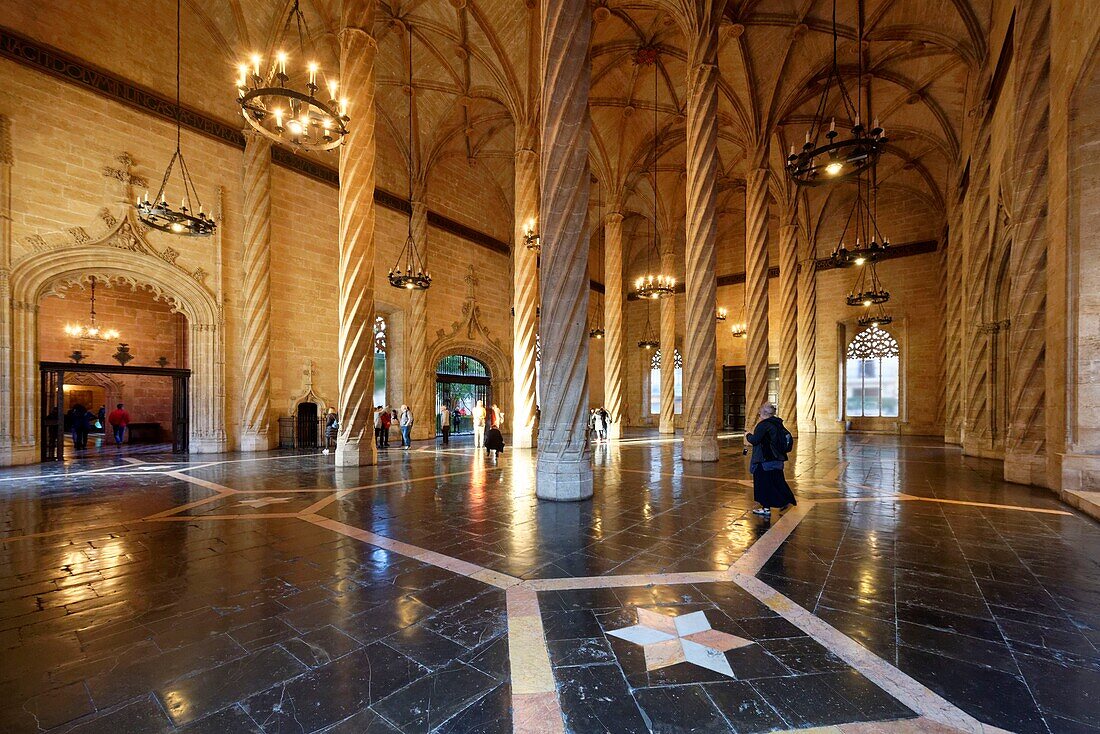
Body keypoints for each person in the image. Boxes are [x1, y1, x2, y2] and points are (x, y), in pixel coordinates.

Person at [744, 402, 796, 518]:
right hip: (777, 459)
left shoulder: (763, 425)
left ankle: (766, 508)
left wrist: (748, 435)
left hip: (765, 460)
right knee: (777, 481)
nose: (759, 416)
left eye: (759, 414)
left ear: (763, 414)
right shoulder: (778, 423)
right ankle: (785, 500)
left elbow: (755, 440)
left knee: (762, 484)